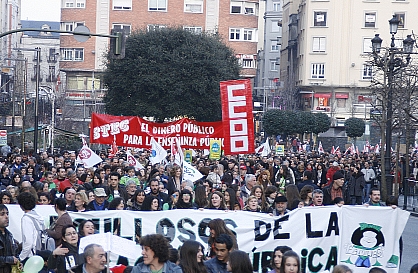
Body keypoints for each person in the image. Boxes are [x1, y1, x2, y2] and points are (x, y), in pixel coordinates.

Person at [17, 191, 45, 263]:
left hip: (31, 256)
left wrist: (21, 258)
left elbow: (28, 242)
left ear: (21, 205)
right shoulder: (39, 216)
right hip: (41, 252)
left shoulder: (26, 218)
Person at [0, 204, 19, 273]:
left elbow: (15, 253)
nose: (6, 217)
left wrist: (18, 262)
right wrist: (9, 260)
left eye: (7, 214)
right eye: (2, 214)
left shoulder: (9, 235)